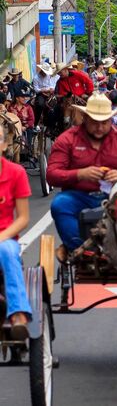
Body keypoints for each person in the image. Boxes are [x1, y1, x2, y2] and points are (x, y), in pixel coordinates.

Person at [47, 93, 117, 259]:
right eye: (94, 122)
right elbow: (52, 174)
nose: (99, 127)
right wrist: (80, 174)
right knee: (59, 204)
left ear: (111, 120)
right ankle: (82, 251)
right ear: (84, 118)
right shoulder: (67, 139)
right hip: (79, 195)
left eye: (104, 123)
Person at [0, 124, 32, 340]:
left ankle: (18, 313)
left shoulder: (16, 173)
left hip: (5, 236)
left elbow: (23, 218)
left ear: (3, 144)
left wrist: (1, 237)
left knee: (7, 251)